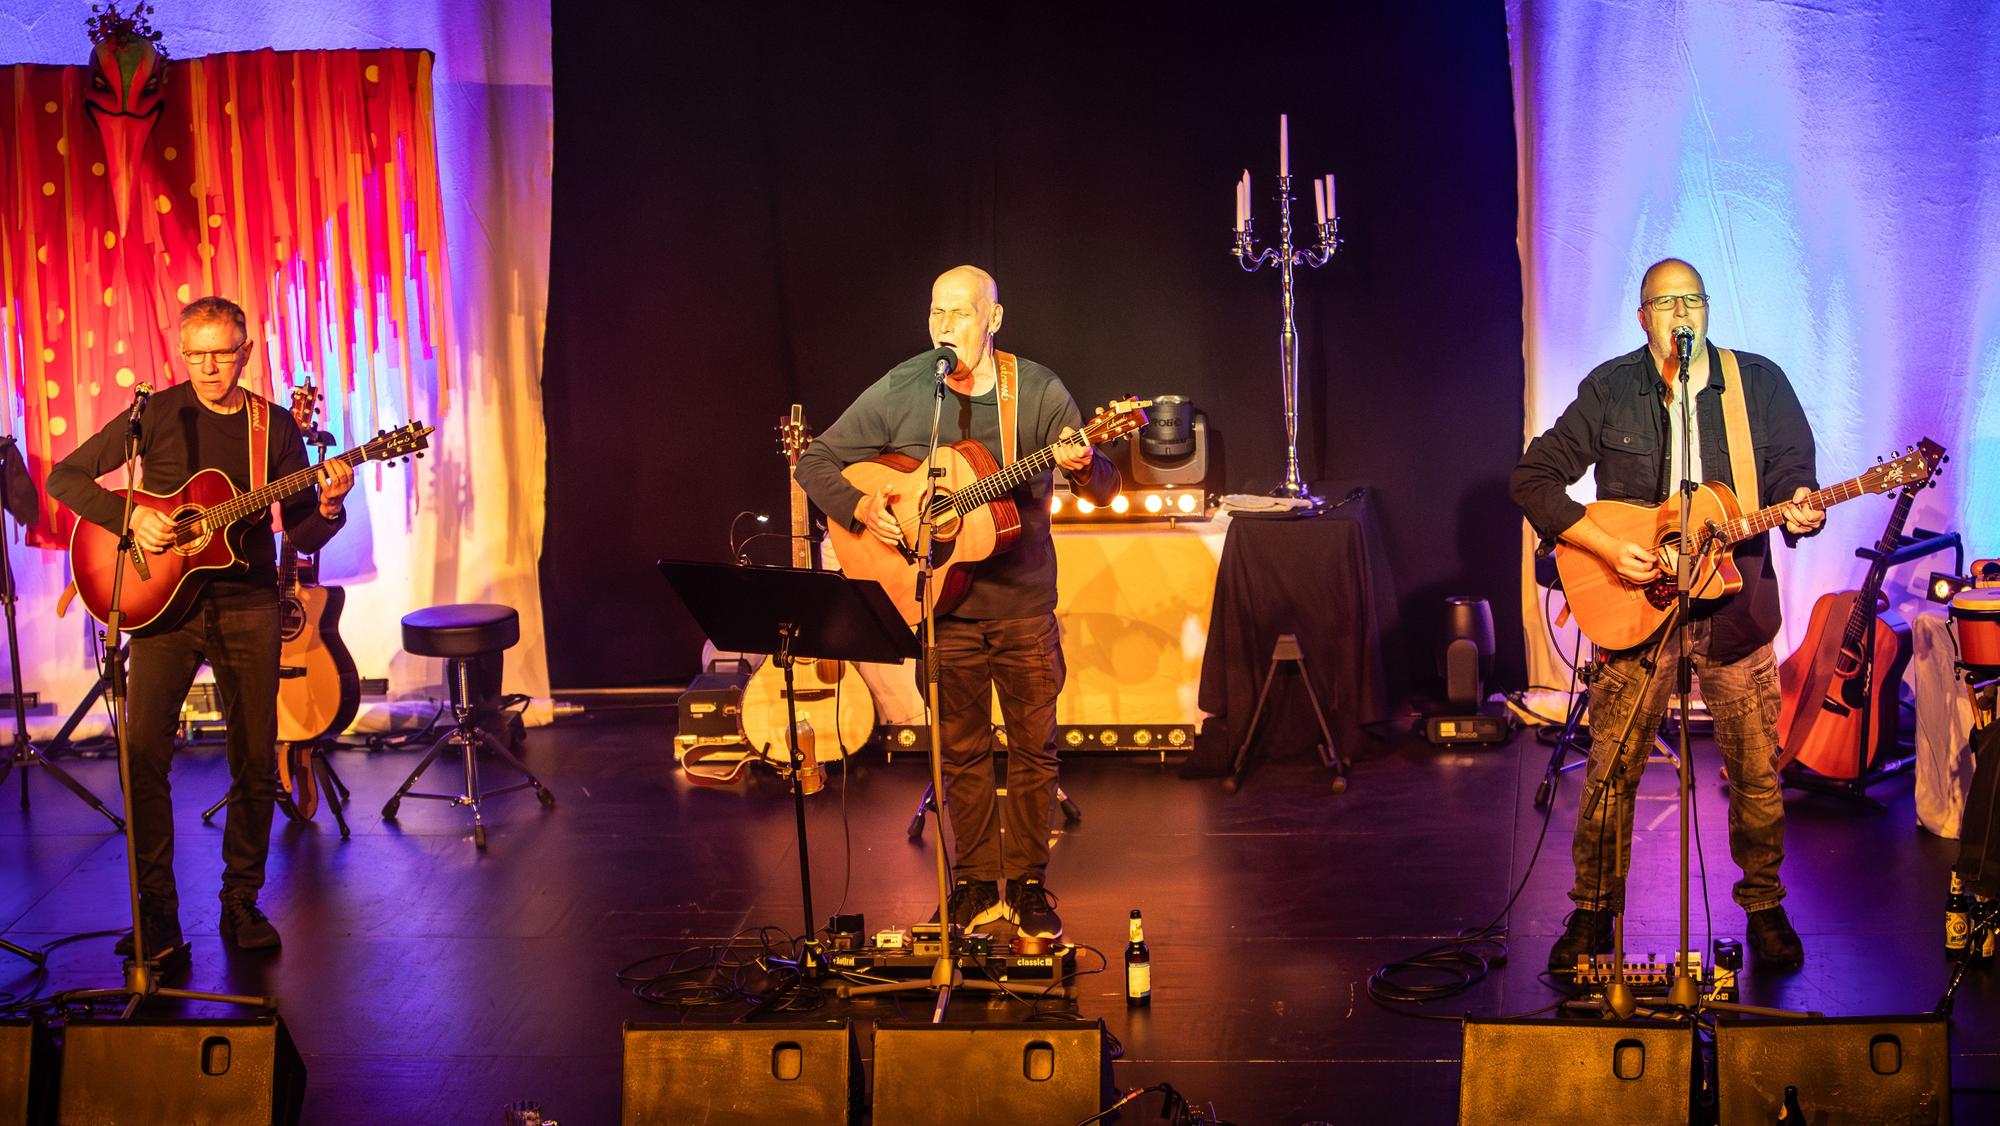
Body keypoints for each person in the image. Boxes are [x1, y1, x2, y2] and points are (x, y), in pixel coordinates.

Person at [1510, 258, 1824, 972]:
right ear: (1643, 317)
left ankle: (1765, 904)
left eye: (1693, 300)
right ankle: (1593, 911)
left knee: (1756, 773)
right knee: (1610, 771)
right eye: (1665, 303)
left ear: (1707, 310)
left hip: (1736, 611)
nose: (1681, 314)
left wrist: (1802, 504)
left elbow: (1789, 472)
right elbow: (1533, 478)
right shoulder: (1612, 387)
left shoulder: (1758, 383)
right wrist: (1606, 546)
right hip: (1637, 616)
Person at [795, 265, 1119, 939]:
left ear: (993, 319)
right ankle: (971, 885)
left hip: (1023, 607)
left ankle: (1026, 884)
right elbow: (815, 461)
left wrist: (1086, 464)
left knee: (1033, 751)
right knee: (958, 754)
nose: (945, 326)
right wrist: (861, 507)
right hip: (940, 608)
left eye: (961, 313)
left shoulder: (1039, 390)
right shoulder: (907, 384)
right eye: (936, 313)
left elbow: (1103, 486)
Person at [49, 296, 354, 968]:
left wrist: (331, 506)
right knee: (143, 754)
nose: (210, 367)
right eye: (197, 354)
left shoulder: (272, 427)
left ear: (246, 352)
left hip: (247, 602)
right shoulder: (155, 414)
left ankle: (240, 900)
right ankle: (156, 911)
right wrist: (133, 519)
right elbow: (64, 477)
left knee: (254, 756)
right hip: (161, 605)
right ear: (181, 353)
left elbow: (303, 533)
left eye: (222, 353)